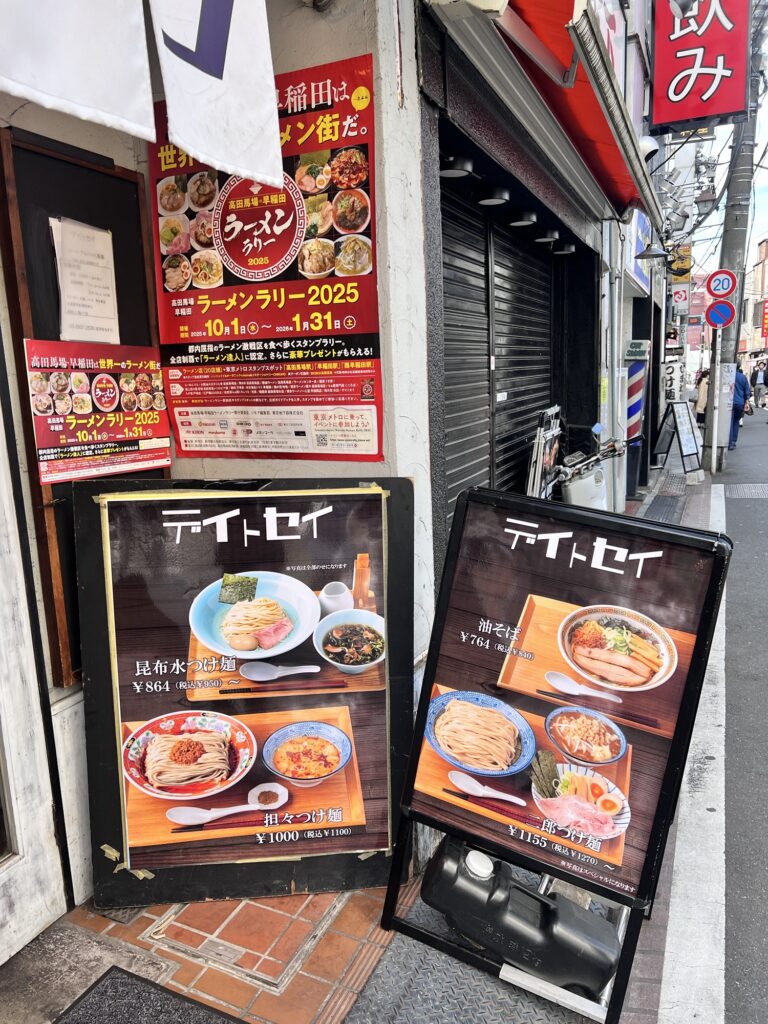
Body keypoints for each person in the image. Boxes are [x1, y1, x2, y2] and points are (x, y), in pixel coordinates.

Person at [729, 365, 751, 450]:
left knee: (729, 422)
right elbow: (747, 391)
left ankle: (729, 442)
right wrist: (747, 402)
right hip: (739, 402)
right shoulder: (743, 377)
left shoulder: (728, 375)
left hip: (729, 402)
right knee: (736, 422)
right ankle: (733, 442)